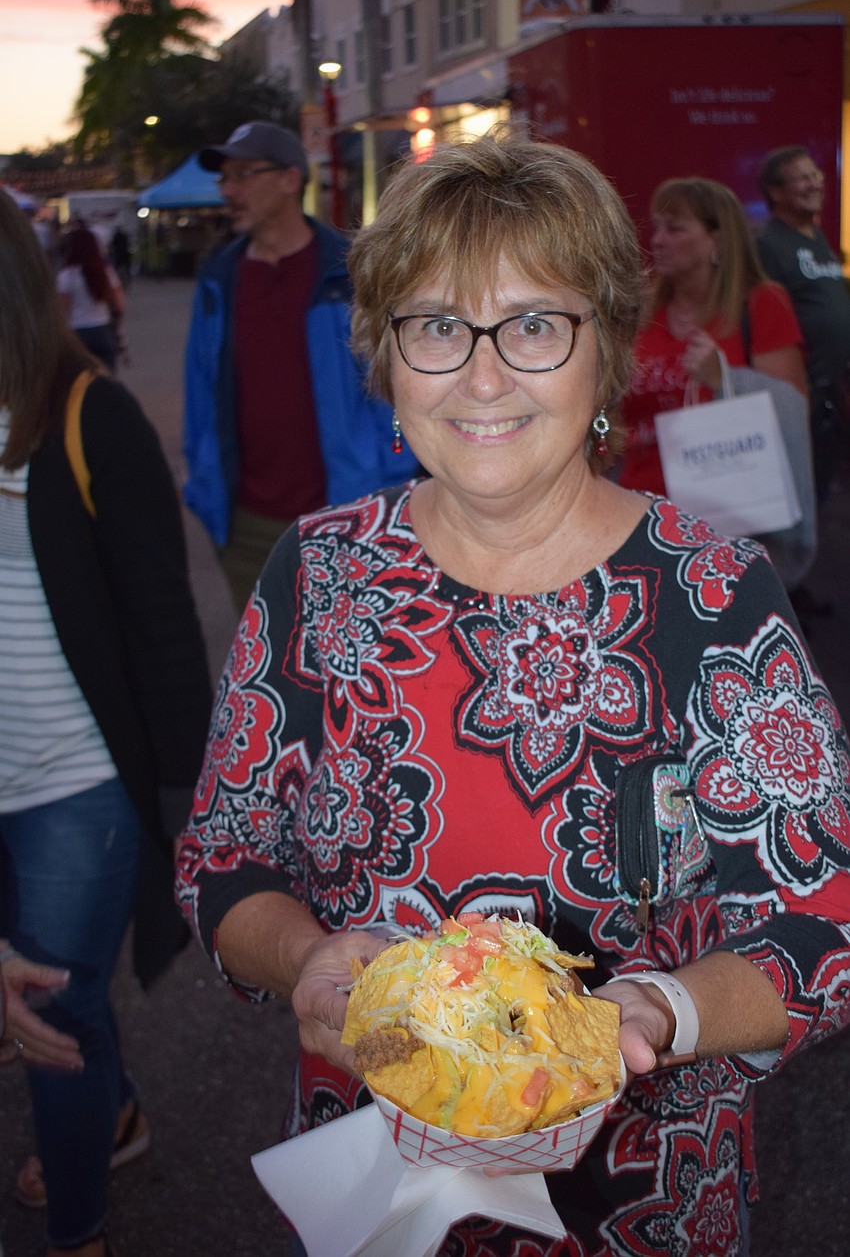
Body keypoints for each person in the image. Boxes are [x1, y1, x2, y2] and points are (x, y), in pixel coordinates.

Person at [175, 129, 850, 1256]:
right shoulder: (320, 569)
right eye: (438, 325)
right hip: (377, 1178)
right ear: (385, 359)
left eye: (533, 323)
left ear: (605, 355)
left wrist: (657, 1010)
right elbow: (222, 854)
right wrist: (303, 958)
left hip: (637, 1195)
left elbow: (820, 920)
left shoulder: (708, 591)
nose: (481, 375)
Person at [0, 188, 213, 1257]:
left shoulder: (87, 416)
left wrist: (183, 793)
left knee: (50, 1009)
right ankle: (117, 1106)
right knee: (45, 989)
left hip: (73, 781)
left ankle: (79, 1228)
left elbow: (165, 625)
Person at [183, 120, 419, 614]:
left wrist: (391, 484)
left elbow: (397, 388)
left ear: (291, 180)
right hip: (246, 525)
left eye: (244, 174)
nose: (230, 190)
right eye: (225, 178)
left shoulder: (351, 271)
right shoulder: (219, 279)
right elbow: (199, 393)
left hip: (348, 514)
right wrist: (205, 487)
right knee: (266, 675)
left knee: (352, 671)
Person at [618, 176, 807, 497]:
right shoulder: (645, 311)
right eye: (657, 226)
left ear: (717, 241)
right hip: (641, 504)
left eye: (675, 229)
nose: (658, 240)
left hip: (728, 507)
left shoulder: (760, 303)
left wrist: (725, 379)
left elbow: (793, 409)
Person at [756, 146, 850, 505]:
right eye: (803, 178)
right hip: (806, 397)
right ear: (776, 192)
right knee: (804, 496)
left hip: (835, 394)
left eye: (816, 175)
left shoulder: (818, 237)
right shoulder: (769, 245)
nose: (815, 184)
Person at [56, 223, 126, 373]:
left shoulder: (67, 275)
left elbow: (63, 311)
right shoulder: (105, 272)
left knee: (83, 381)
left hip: (78, 333)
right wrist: (117, 324)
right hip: (103, 329)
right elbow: (118, 303)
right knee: (108, 379)